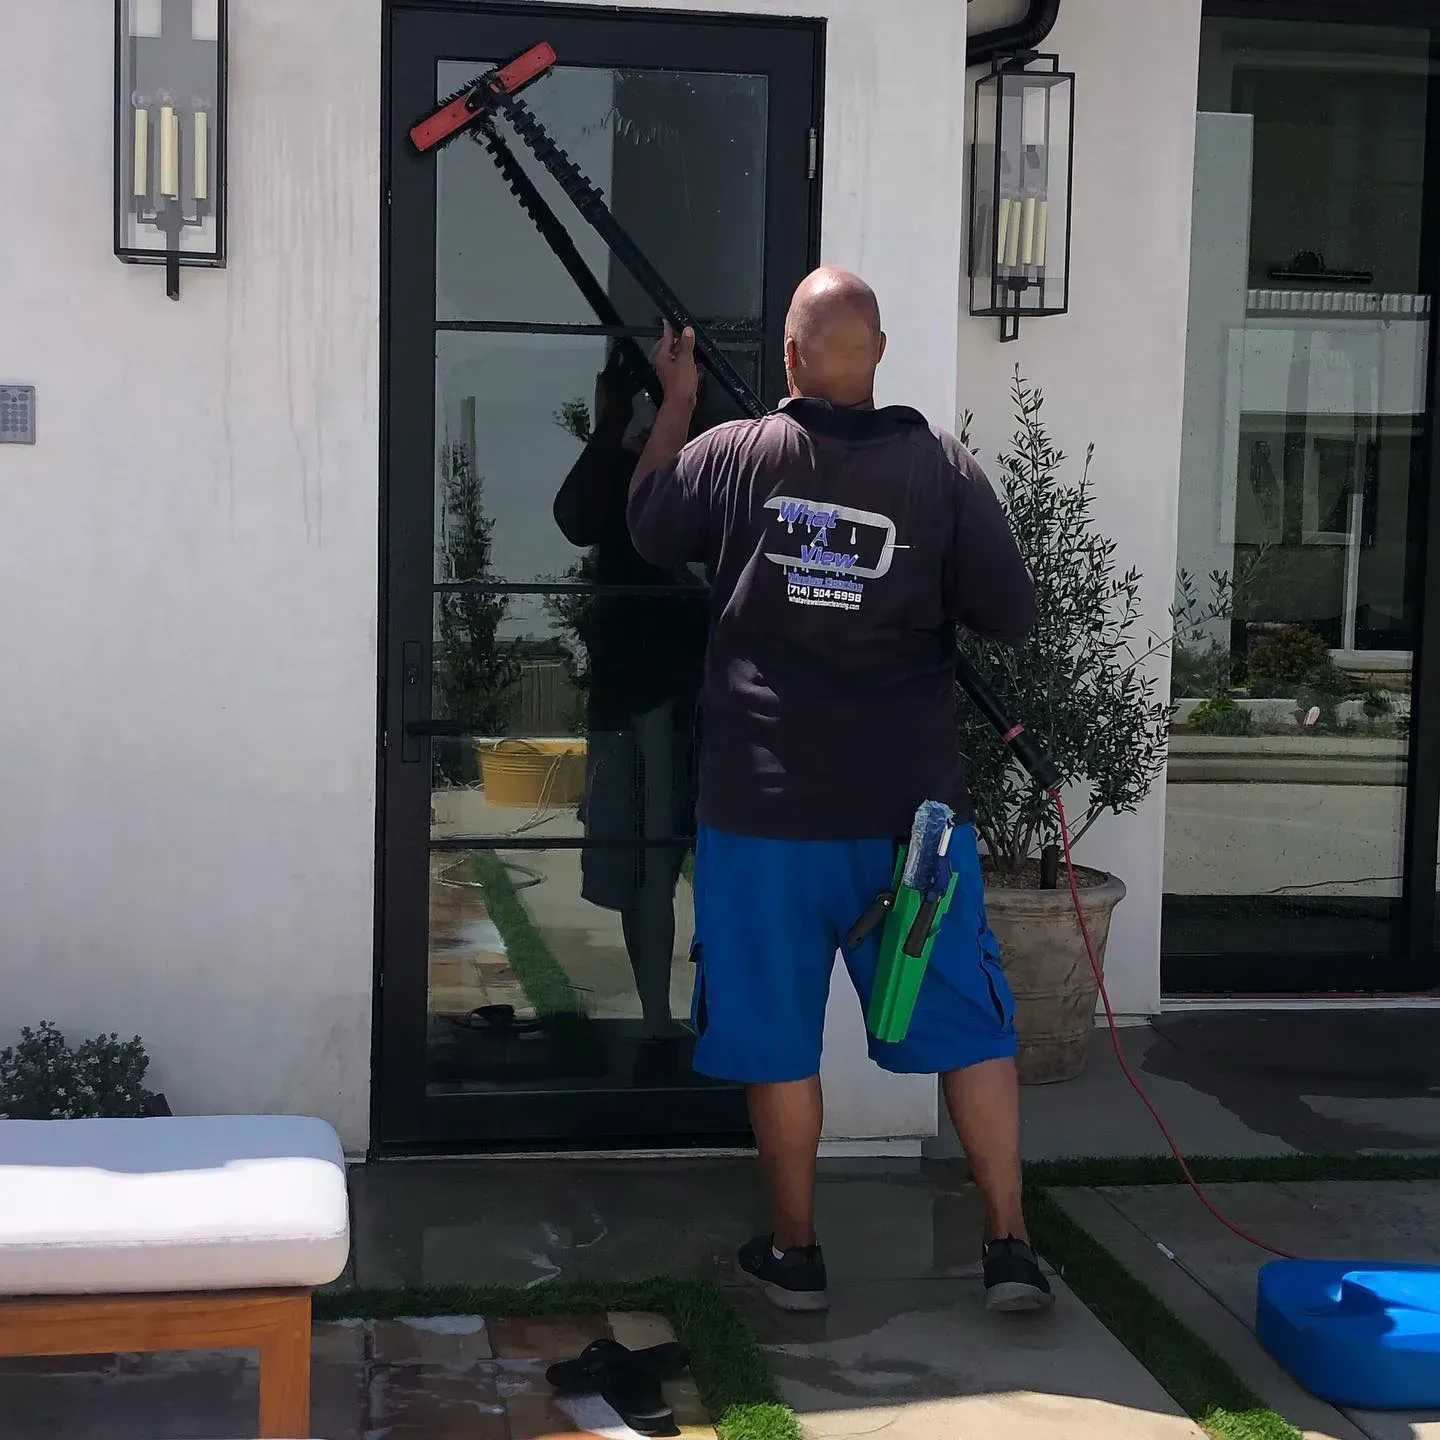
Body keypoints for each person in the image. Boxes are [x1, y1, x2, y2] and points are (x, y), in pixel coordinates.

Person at [624, 267, 1051, 1315]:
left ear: (789, 359)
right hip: (908, 825)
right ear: (881, 354)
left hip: (764, 820)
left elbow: (644, 526)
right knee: (970, 1024)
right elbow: (1012, 614)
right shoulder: (941, 470)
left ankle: (797, 1253)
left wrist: (675, 402)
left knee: (777, 1038)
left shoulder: (735, 456)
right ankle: (1008, 1247)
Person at [552, 345, 709, 1050]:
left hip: (685, 698)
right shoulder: (624, 466)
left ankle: (671, 1021)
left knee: (664, 863)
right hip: (638, 697)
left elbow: (650, 526)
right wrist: (610, 426)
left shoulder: (706, 464)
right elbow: (575, 516)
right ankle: (656, 1019)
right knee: (642, 863)